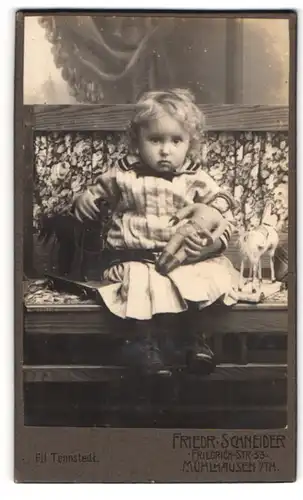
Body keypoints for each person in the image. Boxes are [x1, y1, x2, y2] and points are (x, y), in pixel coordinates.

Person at [73, 88, 239, 377]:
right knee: (141, 283)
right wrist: (83, 199)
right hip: (133, 256)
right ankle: (141, 344)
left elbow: (222, 202)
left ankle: (193, 341)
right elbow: (94, 194)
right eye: (155, 140)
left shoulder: (194, 178)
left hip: (182, 259)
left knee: (196, 281)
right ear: (137, 142)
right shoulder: (122, 175)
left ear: (190, 144)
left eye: (176, 141)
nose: (166, 150)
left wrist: (212, 219)